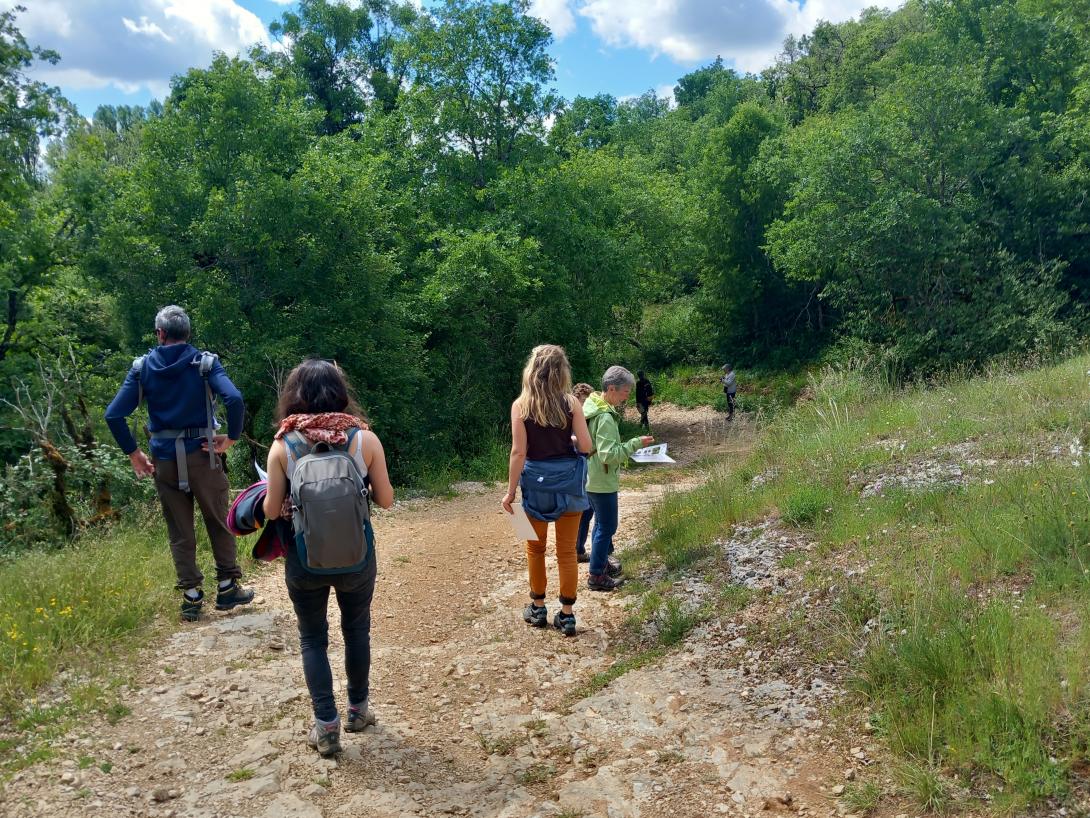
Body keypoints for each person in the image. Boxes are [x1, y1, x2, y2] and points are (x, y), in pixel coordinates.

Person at [262, 359, 394, 757]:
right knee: (356, 631)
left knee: (313, 638)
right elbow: (386, 500)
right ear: (341, 391)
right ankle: (357, 710)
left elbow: (270, 512)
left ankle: (326, 725)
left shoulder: (283, 445)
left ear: (294, 395)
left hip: (305, 559)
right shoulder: (364, 440)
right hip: (357, 556)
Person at [105, 305, 253, 622]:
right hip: (204, 455)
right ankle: (227, 587)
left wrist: (134, 452)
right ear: (187, 333)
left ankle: (191, 596)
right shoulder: (205, 364)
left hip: (164, 460)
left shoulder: (142, 368)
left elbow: (113, 415)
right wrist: (232, 438)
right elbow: (235, 399)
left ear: (160, 334)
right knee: (217, 518)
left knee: (179, 530)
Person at [502, 345, 592, 637]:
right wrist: (574, 437)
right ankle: (567, 615)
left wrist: (510, 491)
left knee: (535, 547)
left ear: (532, 370)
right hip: (569, 484)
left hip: (535, 486)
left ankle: (537, 608)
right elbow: (587, 447)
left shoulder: (521, 406)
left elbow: (518, 453)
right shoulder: (571, 404)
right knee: (566, 552)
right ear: (562, 372)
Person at [583, 366, 653, 592]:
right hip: (601, 480)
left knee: (600, 525)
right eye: (625, 392)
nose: (627, 396)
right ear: (611, 389)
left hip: (593, 477)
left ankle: (600, 564)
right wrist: (634, 444)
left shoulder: (594, 406)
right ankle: (596, 576)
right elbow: (608, 454)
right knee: (607, 526)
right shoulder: (604, 417)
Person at [571, 383, 595, 565]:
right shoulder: (570, 418)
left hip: (587, 470)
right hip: (574, 471)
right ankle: (575, 549)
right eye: (582, 401)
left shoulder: (591, 419)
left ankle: (577, 548)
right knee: (582, 510)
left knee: (587, 511)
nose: (585, 406)